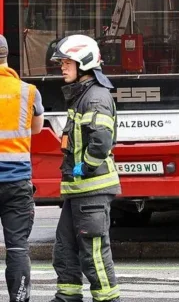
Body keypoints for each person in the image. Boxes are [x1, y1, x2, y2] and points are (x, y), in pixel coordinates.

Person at [49, 35, 121, 302]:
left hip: (91, 190)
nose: (62, 67)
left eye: (67, 62)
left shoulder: (95, 98)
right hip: (78, 191)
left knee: (94, 253)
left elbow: (101, 142)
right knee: (65, 250)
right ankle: (67, 297)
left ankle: (107, 299)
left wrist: (86, 167)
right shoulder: (82, 95)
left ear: (84, 63)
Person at [0, 35, 45, 302]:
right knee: (17, 248)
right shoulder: (29, 91)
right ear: (7, 56)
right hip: (16, 183)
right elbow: (37, 129)